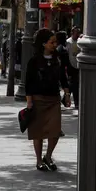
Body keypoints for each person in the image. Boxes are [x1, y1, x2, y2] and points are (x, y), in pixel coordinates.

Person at [25, 28, 71, 171]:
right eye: (52, 42)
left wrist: (67, 94)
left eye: (55, 42)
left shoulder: (58, 58)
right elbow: (29, 82)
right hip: (38, 99)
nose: (54, 44)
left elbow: (63, 78)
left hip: (54, 99)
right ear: (43, 44)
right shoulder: (34, 61)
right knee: (38, 132)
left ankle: (48, 156)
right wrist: (29, 101)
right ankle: (39, 160)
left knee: (55, 131)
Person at [65, 26, 81, 108]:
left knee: (74, 84)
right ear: (72, 33)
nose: (78, 34)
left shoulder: (80, 42)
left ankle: (66, 99)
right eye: (76, 33)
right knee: (73, 84)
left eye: (78, 32)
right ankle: (75, 102)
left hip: (78, 65)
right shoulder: (68, 42)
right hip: (71, 66)